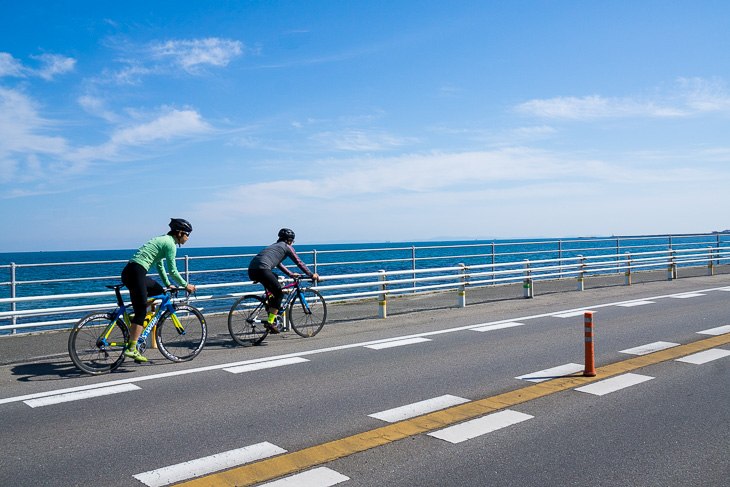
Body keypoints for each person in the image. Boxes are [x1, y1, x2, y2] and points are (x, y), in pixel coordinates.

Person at [120, 218, 197, 361]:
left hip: (132, 271)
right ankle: (131, 349)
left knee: (159, 292)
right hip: (136, 273)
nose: (188, 238)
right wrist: (187, 285)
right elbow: (173, 271)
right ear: (180, 233)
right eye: (187, 234)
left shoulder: (163, 240)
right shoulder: (170, 244)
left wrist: (167, 284)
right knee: (141, 312)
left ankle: (135, 316)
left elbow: (160, 266)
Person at [248, 228, 320, 334]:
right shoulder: (287, 247)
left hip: (252, 271)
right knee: (279, 294)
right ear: (290, 240)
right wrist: (311, 274)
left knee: (275, 279)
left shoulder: (274, 246)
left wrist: (290, 274)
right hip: (263, 270)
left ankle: (271, 307)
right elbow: (299, 262)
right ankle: (270, 322)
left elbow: (278, 263)